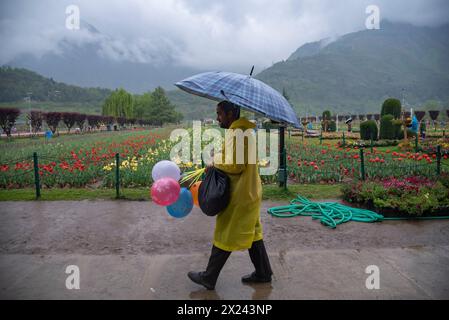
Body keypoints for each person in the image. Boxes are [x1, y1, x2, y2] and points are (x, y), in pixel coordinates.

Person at [188, 101, 273, 290]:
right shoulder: (239, 132)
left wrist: (214, 162)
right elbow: (234, 158)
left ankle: (209, 277)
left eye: (219, 113)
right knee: (253, 233)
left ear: (231, 113)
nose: (217, 117)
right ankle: (263, 272)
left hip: (240, 194)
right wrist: (219, 155)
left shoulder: (239, 134)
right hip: (249, 190)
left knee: (225, 232)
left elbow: (236, 166)